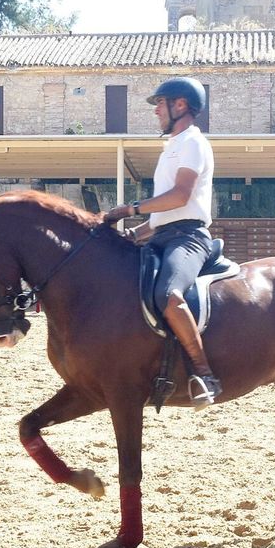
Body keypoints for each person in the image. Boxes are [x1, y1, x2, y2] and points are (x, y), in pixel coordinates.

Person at [103, 77, 220, 408]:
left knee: (169, 295)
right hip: (162, 236)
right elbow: (158, 219)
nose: (156, 110)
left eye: (160, 104)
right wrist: (131, 234)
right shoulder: (172, 148)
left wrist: (129, 208)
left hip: (189, 237)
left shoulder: (194, 143)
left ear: (180, 105)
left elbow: (181, 196)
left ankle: (203, 373)